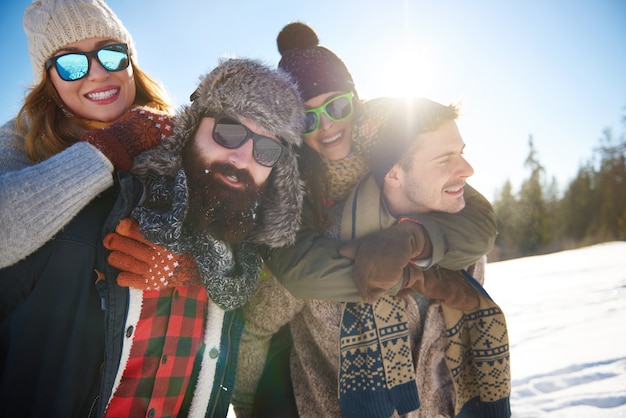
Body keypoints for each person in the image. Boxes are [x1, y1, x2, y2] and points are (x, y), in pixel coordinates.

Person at [0, 55, 305, 418]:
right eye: (229, 131)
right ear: (191, 128)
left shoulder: (245, 261)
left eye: (266, 150)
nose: (242, 157)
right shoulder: (99, 208)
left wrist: (194, 266)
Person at [232, 23, 508, 418]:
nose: (326, 125)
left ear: (355, 102)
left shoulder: (402, 156)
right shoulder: (294, 189)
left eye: (338, 107)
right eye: (308, 119)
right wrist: (398, 276)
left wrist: (416, 241)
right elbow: (285, 280)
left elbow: (477, 219)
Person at [0, 0, 173, 269]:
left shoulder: (182, 133)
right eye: (70, 64)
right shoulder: (22, 138)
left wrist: (195, 267)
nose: (98, 73)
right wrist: (107, 149)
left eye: (111, 53)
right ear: (50, 82)